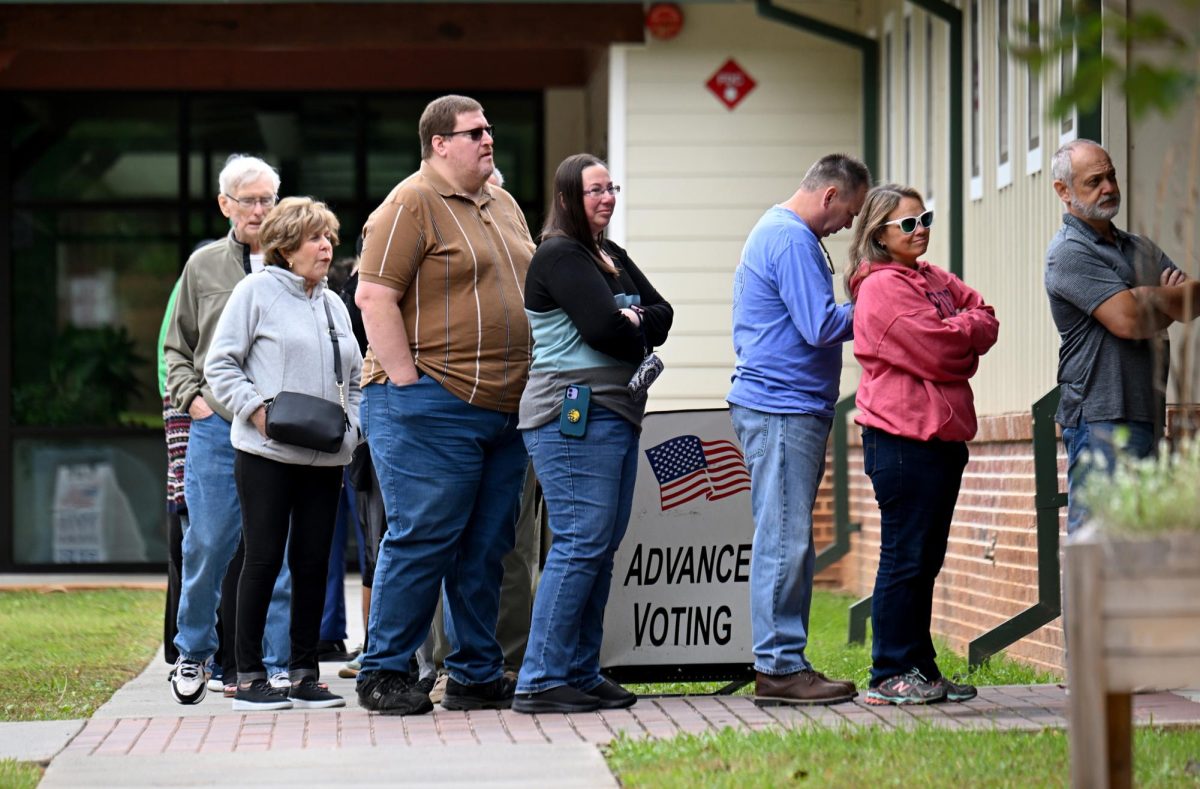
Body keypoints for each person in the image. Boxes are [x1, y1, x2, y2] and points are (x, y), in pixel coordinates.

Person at [354, 94, 535, 715]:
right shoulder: (410, 203)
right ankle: (385, 673)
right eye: (475, 132)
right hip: (429, 400)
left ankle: (476, 674)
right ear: (439, 143)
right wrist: (407, 384)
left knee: (487, 546)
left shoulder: (501, 202)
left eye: (490, 128)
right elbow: (374, 296)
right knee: (423, 536)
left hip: (503, 407)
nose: (489, 139)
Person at [511, 154, 673, 714]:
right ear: (566, 199)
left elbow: (665, 315)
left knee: (599, 548)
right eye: (594, 191)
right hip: (572, 416)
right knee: (581, 542)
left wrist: (632, 319)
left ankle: (578, 671)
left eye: (612, 188)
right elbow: (605, 330)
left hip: (618, 412)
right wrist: (629, 321)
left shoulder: (609, 255)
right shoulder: (560, 255)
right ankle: (539, 679)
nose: (606, 198)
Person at [206, 196, 363, 711]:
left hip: (326, 458)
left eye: (329, 237)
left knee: (315, 563)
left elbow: (357, 378)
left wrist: (352, 431)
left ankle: (302, 672)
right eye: (317, 238)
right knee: (263, 559)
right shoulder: (256, 291)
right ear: (287, 245)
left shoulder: (335, 302)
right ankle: (248, 675)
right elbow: (220, 365)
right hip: (267, 454)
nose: (327, 247)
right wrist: (257, 413)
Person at [846, 184, 999, 705]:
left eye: (924, 218)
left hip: (942, 438)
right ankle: (888, 672)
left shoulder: (931, 278)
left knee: (925, 559)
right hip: (901, 439)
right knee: (905, 558)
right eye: (908, 223)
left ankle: (921, 669)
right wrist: (959, 335)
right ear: (879, 234)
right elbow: (939, 351)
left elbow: (986, 316)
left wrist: (957, 331)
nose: (921, 229)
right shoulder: (881, 288)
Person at [727, 153, 870, 706]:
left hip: (786, 406)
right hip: (781, 408)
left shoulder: (787, 234)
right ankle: (780, 666)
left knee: (787, 537)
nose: (847, 226)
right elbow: (819, 325)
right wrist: (881, 301)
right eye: (849, 212)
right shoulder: (790, 239)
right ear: (830, 195)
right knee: (784, 539)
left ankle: (785, 659)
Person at [163, 154, 293, 704]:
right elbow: (177, 349)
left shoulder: (294, 263)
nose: (260, 211)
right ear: (226, 205)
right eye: (250, 201)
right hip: (217, 426)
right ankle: (193, 653)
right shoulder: (203, 266)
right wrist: (193, 402)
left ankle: (277, 663)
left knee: (276, 551)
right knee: (209, 543)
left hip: (280, 430)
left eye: (268, 200)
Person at [1045, 139, 1198, 535]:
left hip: (1147, 412)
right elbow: (1128, 321)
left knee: (1142, 544)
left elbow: (1194, 301)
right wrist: (1156, 300)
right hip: (1101, 419)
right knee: (1098, 545)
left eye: (1110, 175)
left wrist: (1147, 296)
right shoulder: (1069, 252)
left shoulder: (1137, 246)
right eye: (1094, 181)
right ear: (1064, 191)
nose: (1109, 187)